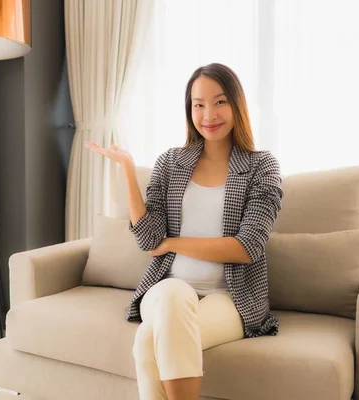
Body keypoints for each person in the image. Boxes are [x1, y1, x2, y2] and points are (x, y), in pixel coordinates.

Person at [85, 63, 284, 400]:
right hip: (166, 290)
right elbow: (150, 241)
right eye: (198, 104)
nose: (209, 114)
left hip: (231, 299)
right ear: (189, 109)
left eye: (220, 102)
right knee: (173, 296)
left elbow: (247, 246)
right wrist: (129, 170)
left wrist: (173, 243)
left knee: (148, 343)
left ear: (237, 104)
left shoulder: (261, 166)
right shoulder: (170, 163)